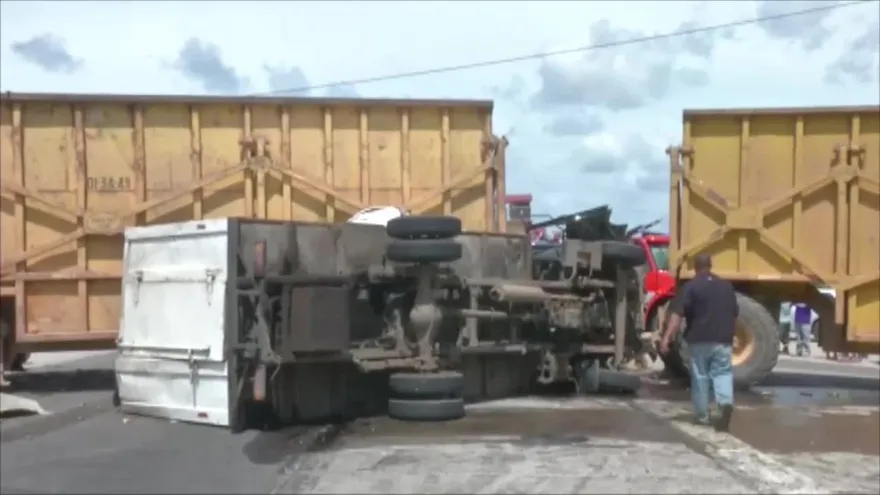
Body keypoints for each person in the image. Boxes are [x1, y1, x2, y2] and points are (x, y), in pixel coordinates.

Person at [660, 253, 737, 432]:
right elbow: (735, 312)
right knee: (723, 373)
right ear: (710, 265)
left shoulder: (691, 287)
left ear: (695, 267)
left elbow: (677, 316)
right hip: (723, 339)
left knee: (701, 376)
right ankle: (725, 403)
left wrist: (666, 338)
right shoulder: (726, 287)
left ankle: (702, 416)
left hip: (700, 339)